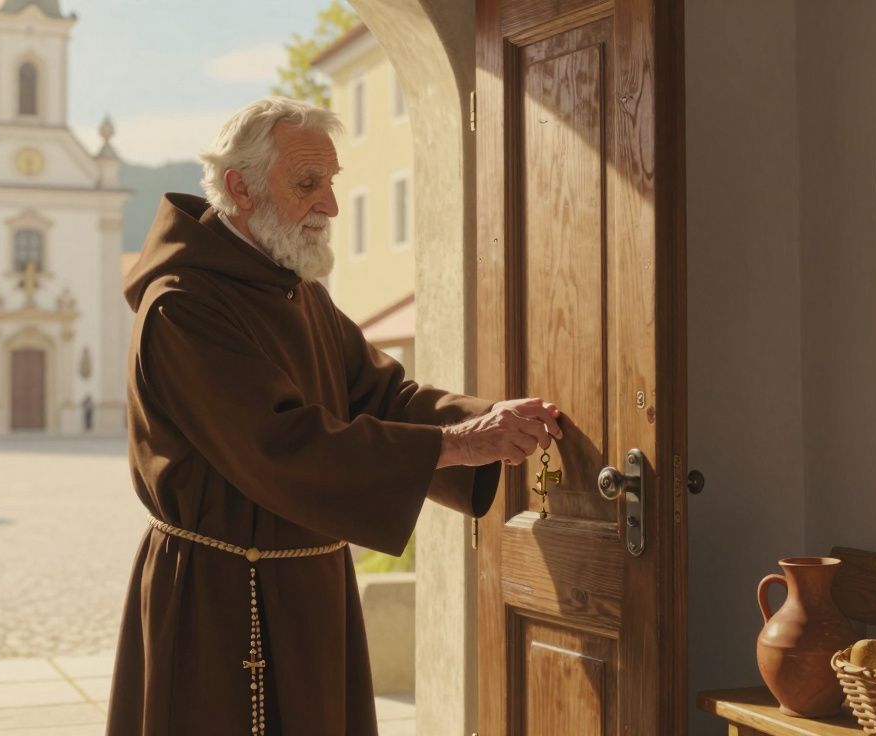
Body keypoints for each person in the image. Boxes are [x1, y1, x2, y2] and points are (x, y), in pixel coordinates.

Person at [107, 97, 563, 736]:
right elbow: (280, 445)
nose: (330, 205)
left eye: (330, 182)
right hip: (223, 600)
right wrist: (453, 445)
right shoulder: (183, 306)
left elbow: (383, 396)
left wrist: (490, 423)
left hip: (308, 588)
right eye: (306, 183)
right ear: (239, 187)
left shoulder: (294, 290)